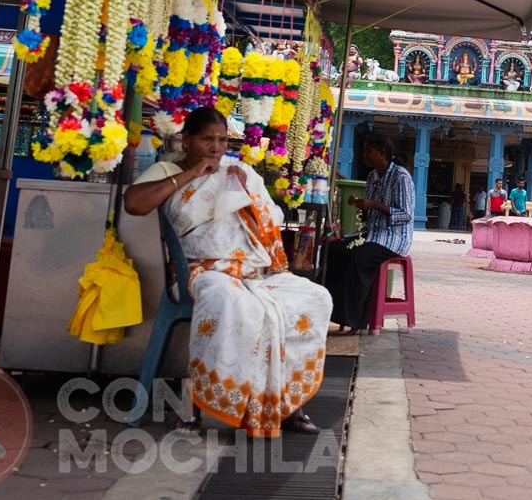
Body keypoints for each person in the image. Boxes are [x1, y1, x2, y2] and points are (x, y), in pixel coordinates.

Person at [125, 107, 332, 438]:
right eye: (207, 139)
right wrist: (192, 175)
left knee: (315, 297)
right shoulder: (167, 169)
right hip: (201, 272)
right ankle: (192, 409)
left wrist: (245, 192)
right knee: (229, 301)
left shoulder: (239, 171)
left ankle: (287, 405)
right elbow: (134, 204)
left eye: (222, 140)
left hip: (253, 271)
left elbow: (271, 219)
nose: (216, 148)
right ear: (187, 139)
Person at [325, 133, 414, 335]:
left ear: (381, 153)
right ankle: (332, 310)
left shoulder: (401, 177)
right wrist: (362, 206)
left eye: (368, 151)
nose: (364, 155)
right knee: (334, 249)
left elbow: (406, 215)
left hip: (394, 238)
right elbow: (371, 214)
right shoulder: (373, 176)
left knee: (361, 257)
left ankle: (356, 319)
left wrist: (374, 205)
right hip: (372, 232)